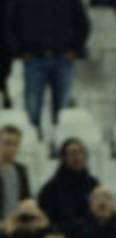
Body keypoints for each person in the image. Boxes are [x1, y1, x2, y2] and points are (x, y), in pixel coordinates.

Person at [2, 0, 89, 139]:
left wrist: (75, 49)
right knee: (32, 107)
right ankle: (33, 140)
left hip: (63, 58)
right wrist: (19, 51)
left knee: (62, 109)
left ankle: (60, 141)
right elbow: (9, 25)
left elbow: (83, 24)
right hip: (34, 59)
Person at [37, 138, 98, 226]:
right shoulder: (51, 188)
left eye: (80, 152)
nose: (77, 157)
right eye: (72, 153)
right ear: (64, 158)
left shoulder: (93, 185)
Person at [0, 125, 31, 220]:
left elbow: (25, 199)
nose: (11, 148)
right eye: (6, 143)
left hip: (16, 224)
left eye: (15, 144)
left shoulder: (21, 170)